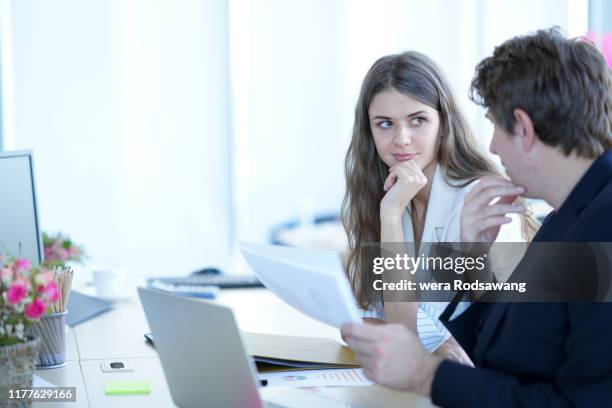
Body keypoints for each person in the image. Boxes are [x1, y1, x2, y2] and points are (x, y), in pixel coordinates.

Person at [341, 28, 612, 407]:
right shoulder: (565, 219)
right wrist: (472, 259)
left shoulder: (602, 227)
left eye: (497, 127)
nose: (492, 146)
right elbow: (505, 347)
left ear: (524, 128)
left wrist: (426, 374)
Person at [341, 51, 538, 361]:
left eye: (418, 120)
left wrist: (390, 217)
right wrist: (391, 215)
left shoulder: (482, 200)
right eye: (385, 124)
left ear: (444, 124)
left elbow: (403, 333)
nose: (402, 140)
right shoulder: (385, 196)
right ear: (370, 132)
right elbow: (372, 320)